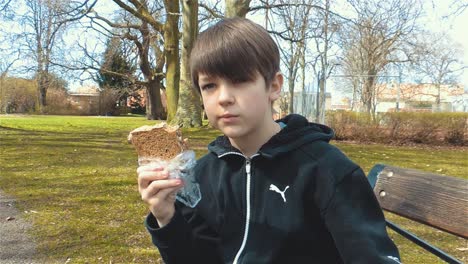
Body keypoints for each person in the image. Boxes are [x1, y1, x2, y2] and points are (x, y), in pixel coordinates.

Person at [137, 17, 401, 264]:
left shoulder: (326, 171)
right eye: (210, 86)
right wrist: (166, 215)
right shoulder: (203, 175)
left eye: (240, 80)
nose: (224, 97)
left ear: (273, 86)